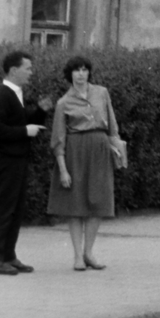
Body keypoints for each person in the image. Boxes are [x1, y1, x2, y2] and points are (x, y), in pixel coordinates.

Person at [47, 56, 120, 270]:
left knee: (98, 202)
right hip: (75, 153)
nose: (80, 74)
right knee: (75, 205)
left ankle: (89, 252)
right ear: (69, 74)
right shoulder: (63, 103)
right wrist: (63, 170)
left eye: (84, 70)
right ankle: (78, 256)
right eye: (76, 70)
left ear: (89, 72)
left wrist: (116, 147)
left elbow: (112, 125)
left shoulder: (102, 93)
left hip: (100, 150)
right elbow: (58, 139)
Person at [0, 50, 52, 275]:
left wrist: (40, 112)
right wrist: (24, 131)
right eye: (27, 68)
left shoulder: (15, 94)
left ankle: (7, 256)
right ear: (14, 70)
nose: (31, 72)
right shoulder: (2, 96)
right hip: (6, 161)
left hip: (17, 160)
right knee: (4, 209)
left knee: (15, 209)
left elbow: (21, 122)